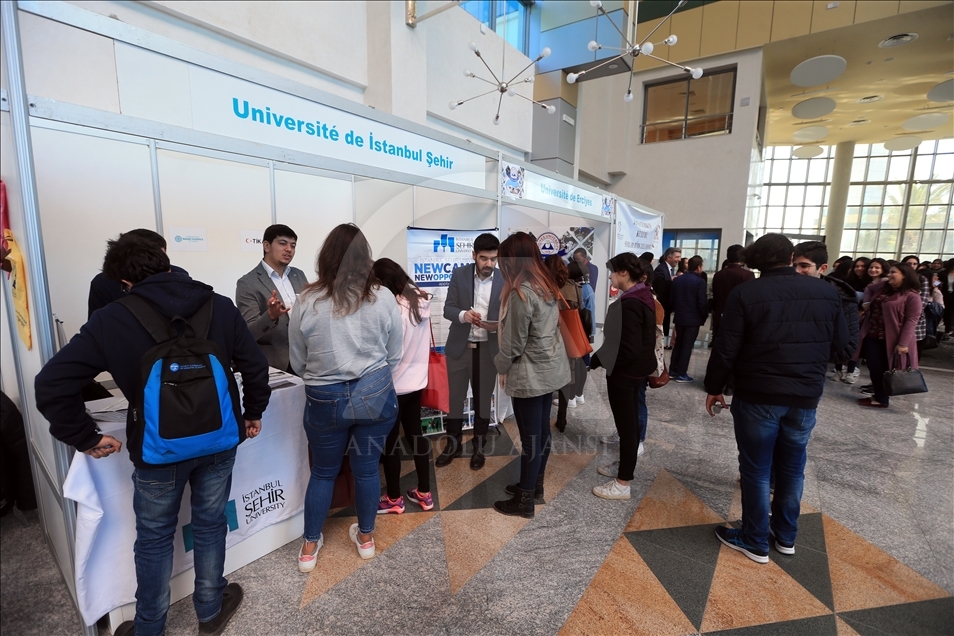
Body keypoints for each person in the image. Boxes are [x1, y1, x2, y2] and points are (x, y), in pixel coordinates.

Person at [36, 235, 271, 636]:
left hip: (157, 452)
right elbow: (255, 366)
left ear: (123, 281)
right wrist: (252, 413)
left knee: (155, 538)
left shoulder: (112, 318)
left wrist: (85, 437)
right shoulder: (220, 306)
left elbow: (51, 384)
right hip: (219, 443)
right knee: (211, 523)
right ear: (166, 261)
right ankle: (210, 610)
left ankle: (149, 627)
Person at [704, 234, 850, 564]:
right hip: (805, 396)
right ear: (790, 256)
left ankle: (755, 539)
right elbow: (842, 344)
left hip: (758, 394)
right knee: (793, 467)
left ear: (756, 258)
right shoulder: (827, 292)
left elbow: (726, 350)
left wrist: (714, 387)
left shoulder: (746, 293)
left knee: (756, 469)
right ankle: (785, 537)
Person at [289, 224, 401, 568]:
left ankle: (309, 547)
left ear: (326, 257)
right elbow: (393, 353)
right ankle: (366, 538)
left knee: (323, 472)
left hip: (325, 396)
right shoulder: (382, 296)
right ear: (365, 257)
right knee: (367, 470)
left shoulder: (307, 299)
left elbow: (297, 359)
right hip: (375, 392)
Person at [493, 233, 570, 517]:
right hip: (549, 371)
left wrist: (498, 365)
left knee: (530, 439)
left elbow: (514, 344)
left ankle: (525, 501)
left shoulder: (521, 292)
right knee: (541, 435)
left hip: (529, 376)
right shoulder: (545, 284)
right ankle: (533, 486)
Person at [590, 253, 656, 500]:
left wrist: (597, 361)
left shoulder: (629, 304)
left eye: (613, 272)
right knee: (627, 426)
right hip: (637, 371)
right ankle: (622, 467)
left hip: (626, 375)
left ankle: (622, 483)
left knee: (627, 428)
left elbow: (625, 348)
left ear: (624, 273)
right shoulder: (643, 294)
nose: (610, 276)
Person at [372, 258, 435, 515]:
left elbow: (388, 352)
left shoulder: (393, 309)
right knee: (415, 436)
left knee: (390, 443)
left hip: (393, 385)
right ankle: (424, 492)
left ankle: (395, 498)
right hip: (417, 382)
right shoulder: (421, 301)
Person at [437, 233, 504, 470]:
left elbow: (511, 316)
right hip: (460, 349)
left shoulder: (504, 280)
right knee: (455, 400)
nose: (489, 264)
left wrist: (499, 325)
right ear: (474, 255)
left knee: (483, 401)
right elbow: (448, 309)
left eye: (493, 259)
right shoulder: (460, 274)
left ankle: (479, 448)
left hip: (488, 351)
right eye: (484, 258)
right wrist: (463, 315)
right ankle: (452, 445)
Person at [236, 224, 309, 372]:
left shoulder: (298, 275)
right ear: (266, 246)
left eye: (293, 245)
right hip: (275, 363)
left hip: (305, 358)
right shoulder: (248, 283)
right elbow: (248, 333)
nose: (289, 249)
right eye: (283, 243)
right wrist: (270, 316)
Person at [854, 263, 922, 409]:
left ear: (904, 275)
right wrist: (866, 301)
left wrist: (903, 343)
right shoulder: (883, 287)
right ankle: (879, 395)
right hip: (873, 334)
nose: (889, 275)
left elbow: (911, 321)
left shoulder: (912, 296)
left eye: (893, 272)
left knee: (886, 368)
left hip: (892, 339)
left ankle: (881, 398)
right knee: (874, 366)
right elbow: (869, 288)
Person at [87, 228, 189, 318]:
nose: (154, 263)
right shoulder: (103, 282)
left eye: (160, 257)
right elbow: (97, 327)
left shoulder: (180, 275)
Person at [793, 241, 860, 368]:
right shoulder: (782, 291)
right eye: (793, 265)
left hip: (812, 367)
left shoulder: (841, 296)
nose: (797, 271)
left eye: (804, 266)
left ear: (822, 268)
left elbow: (847, 349)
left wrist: (807, 352)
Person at [545, 255, 584, 432]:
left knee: (546, 379)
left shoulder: (545, 289)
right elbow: (580, 311)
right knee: (566, 380)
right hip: (569, 339)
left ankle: (544, 416)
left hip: (551, 338)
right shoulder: (575, 287)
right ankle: (562, 417)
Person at [668, 255, 708, 383]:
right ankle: (681, 373)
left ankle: (672, 370)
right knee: (686, 346)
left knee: (678, 344)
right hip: (693, 319)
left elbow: (671, 300)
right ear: (698, 267)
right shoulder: (700, 282)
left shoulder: (678, 280)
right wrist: (704, 315)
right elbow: (702, 302)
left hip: (679, 317)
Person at [710, 244, 754, 347]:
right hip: (739, 320)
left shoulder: (719, 274)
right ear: (743, 257)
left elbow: (716, 297)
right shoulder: (747, 275)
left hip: (720, 318)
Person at [901, 255, 932, 356]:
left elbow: (923, 300)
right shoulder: (898, 277)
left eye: (915, 264)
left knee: (913, 350)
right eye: (909, 263)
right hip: (898, 316)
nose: (912, 266)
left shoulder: (922, 279)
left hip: (915, 318)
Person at [652, 247, 682, 344]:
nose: (679, 260)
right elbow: (659, 289)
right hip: (663, 305)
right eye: (677, 257)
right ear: (669, 258)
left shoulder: (669, 269)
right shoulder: (661, 270)